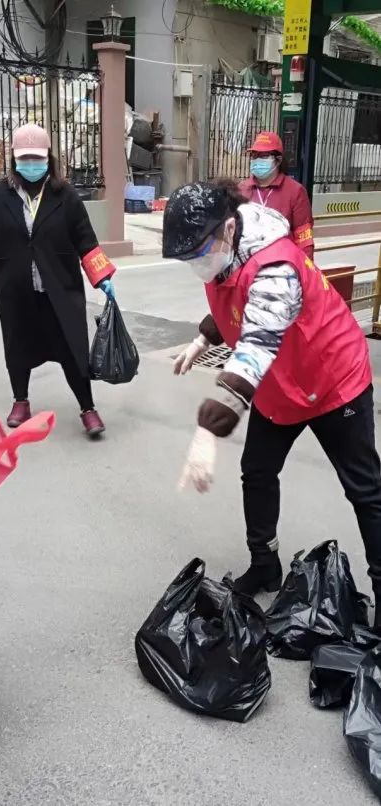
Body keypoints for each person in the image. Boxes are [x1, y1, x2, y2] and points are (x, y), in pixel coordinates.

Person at [163, 180, 381, 627]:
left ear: (228, 228)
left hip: (333, 379)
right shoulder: (225, 251)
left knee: (365, 491)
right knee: (258, 472)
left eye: (199, 252)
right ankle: (264, 563)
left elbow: (258, 339)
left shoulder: (276, 266)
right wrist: (203, 338)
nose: (197, 265)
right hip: (279, 384)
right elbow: (231, 298)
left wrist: (207, 431)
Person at [0, 123, 116, 437]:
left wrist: (101, 276)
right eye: (25, 158)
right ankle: (21, 401)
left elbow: (86, 239)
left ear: (48, 158)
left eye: (37, 158)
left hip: (59, 288)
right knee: (17, 345)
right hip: (16, 290)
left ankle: (87, 407)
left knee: (72, 347)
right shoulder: (0, 195)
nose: (31, 164)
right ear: (15, 159)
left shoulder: (65, 195)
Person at [239, 132, 314, 259]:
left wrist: (305, 267)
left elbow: (304, 238)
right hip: (248, 263)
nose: (257, 160)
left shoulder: (295, 191)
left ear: (278, 160)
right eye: (254, 155)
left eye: (263, 156)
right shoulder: (242, 189)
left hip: (281, 263)